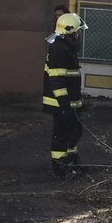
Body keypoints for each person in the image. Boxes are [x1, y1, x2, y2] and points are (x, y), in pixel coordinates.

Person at [43, 13, 88, 179]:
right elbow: (56, 80)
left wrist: (76, 102)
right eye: (77, 32)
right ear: (69, 32)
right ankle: (59, 167)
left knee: (74, 132)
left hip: (70, 102)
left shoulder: (66, 47)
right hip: (61, 103)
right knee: (61, 135)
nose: (78, 35)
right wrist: (64, 105)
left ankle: (72, 162)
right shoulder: (59, 49)